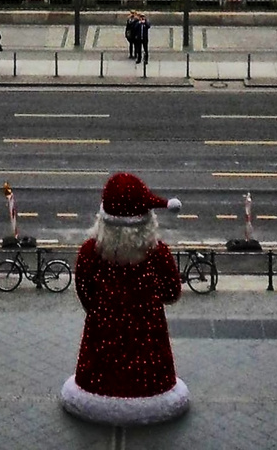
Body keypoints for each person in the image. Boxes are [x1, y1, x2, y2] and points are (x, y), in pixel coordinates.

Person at [61, 172, 189, 425]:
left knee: (100, 377)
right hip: (150, 357)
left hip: (100, 351)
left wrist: (99, 312)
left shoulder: (91, 251)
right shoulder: (157, 253)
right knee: (148, 381)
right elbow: (172, 293)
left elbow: (84, 292)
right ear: (146, 221)